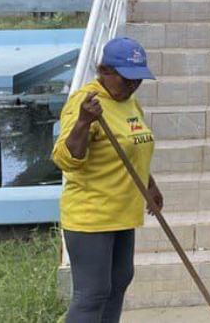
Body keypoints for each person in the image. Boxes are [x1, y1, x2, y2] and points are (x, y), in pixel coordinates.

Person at [53, 36, 162, 323]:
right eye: (127, 79)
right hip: (92, 214)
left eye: (138, 79)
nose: (132, 85)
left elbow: (133, 146)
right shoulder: (85, 102)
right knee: (92, 294)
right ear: (105, 71)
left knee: (119, 283)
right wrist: (83, 122)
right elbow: (65, 159)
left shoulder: (129, 103)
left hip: (122, 211)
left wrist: (149, 184)